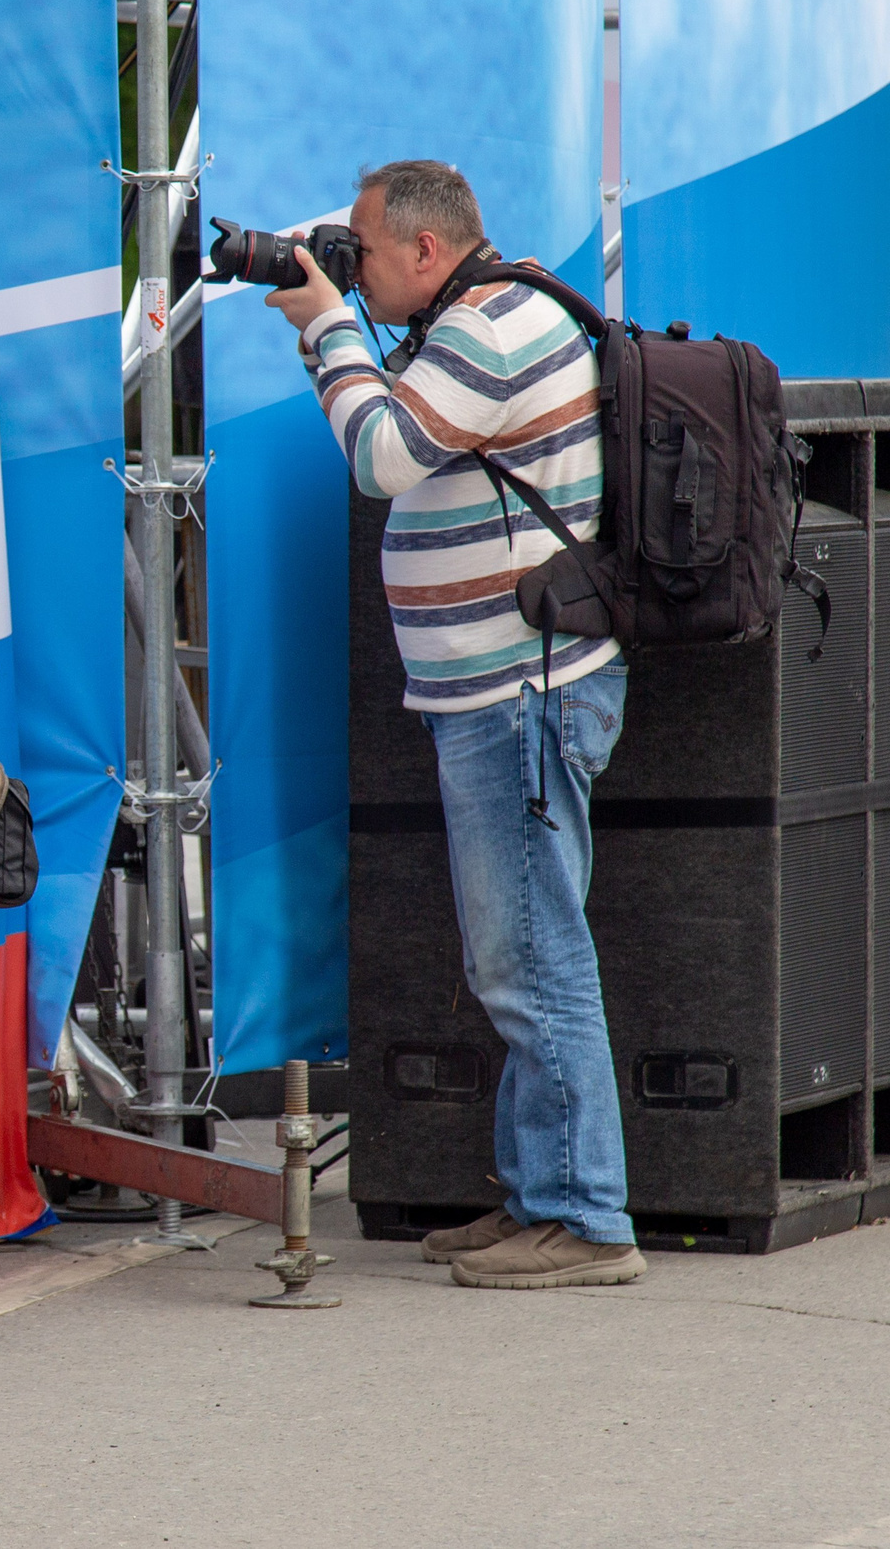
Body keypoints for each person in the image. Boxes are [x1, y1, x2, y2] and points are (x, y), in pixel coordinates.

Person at [267, 160, 645, 1290]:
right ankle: (538, 1196)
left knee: (531, 956)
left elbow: (382, 457)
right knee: (516, 953)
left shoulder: (488, 326)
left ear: (426, 250)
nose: (357, 272)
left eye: (367, 251)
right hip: (502, 694)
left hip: (518, 697)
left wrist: (329, 328)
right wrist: (339, 313)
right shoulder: (478, 316)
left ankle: (585, 1219)